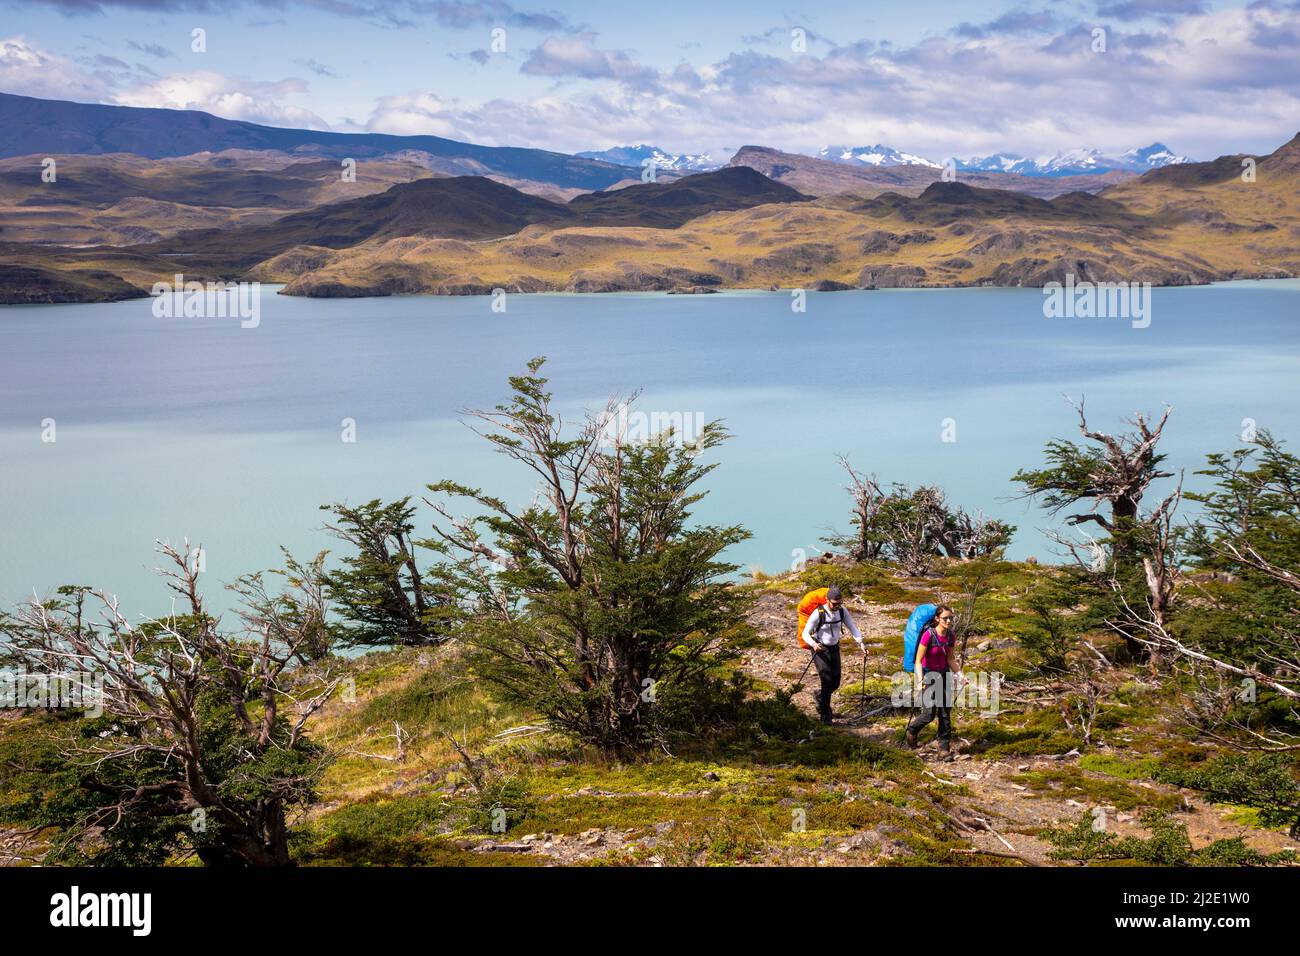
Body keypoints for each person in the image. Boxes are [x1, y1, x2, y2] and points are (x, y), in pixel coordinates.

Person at [800, 585, 865, 724]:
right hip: (820, 648)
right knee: (826, 680)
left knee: (835, 682)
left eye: (839, 603)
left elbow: (852, 627)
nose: (837, 606)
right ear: (828, 600)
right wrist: (813, 644)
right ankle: (825, 715)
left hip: (834, 648)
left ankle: (820, 696)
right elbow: (805, 633)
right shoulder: (818, 613)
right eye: (835, 604)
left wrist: (861, 644)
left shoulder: (842, 611)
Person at [906, 604, 959, 757]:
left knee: (945, 712)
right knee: (929, 713)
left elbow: (950, 659)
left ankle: (943, 748)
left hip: (944, 674)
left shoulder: (950, 636)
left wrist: (960, 675)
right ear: (937, 619)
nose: (949, 621)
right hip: (928, 676)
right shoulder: (928, 635)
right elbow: (918, 660)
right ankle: (912, 730)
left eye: (951, 618)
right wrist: (920, 679)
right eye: (945, 618)